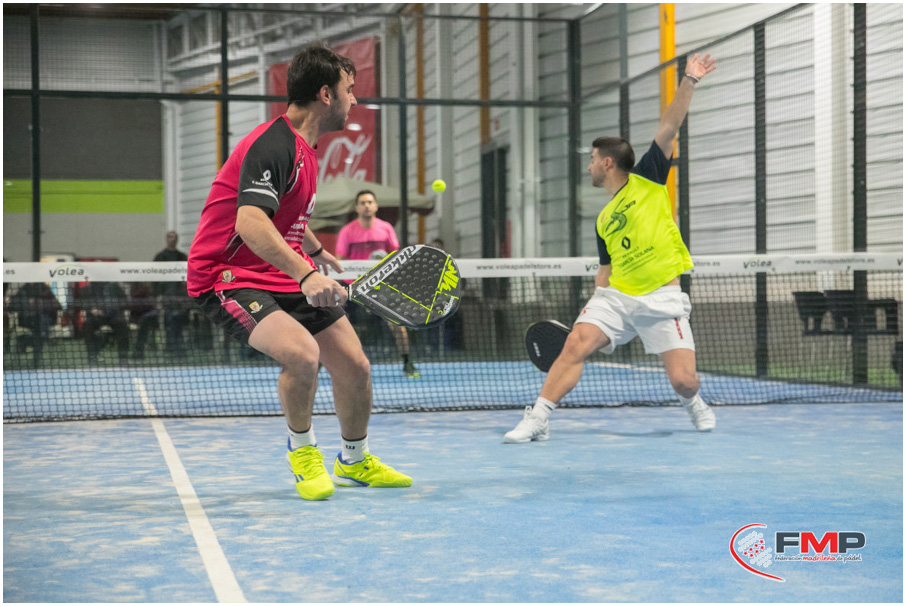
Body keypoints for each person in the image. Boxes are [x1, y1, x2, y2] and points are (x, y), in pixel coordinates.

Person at [187, 42, 411, 501]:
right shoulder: (274, 144)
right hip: (227, 275)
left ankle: (354, 460)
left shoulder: (306, 148)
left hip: (280, 271)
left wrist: (316, 251)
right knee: (303, 355)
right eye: (350, 90)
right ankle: (304, 453)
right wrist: (308, 276)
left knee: (354, 365)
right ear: (326, 94)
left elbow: (284, 212)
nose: (354, 100)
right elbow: (251, 222)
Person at [504, 53, 718, 443]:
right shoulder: (603, 219)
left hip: (661, 296)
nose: (587, 167)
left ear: (607, 163)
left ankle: (693, 402)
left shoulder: (648, 179)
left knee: (684, 380)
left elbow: (669, 127)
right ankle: (538, 418)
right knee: (575, 344)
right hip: (617, 297)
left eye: (591, 160)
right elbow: (605, 270)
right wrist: (595, 310)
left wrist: (690, 79)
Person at [335, 189, 420, 378]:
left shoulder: (386, 228)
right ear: (357, 207)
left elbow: (396, 256)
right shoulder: (347, 231)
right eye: (363, 203)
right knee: (334, 323)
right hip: (353, 287)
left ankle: (407, 362)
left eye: (370, 202)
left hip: (380, 286)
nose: (366, 206)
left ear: (376, 206)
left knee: (397, 324)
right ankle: (322, 364)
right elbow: (339, 261)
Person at [6, 282, 61, 368]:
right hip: (27, 321)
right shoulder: (23, 290)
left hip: (43, 321)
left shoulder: (45, 289)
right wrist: (28, 305)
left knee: (40, 320)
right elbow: (11, 307)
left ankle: (36, 339)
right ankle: (43, 336)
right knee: (40, 330)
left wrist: (38, 304)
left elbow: (57, 305)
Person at [154, 231, 189, 358]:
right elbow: (154, 281)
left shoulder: (183, 257)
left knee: (176, 319)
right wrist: (158, 299)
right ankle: (172, 348)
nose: (171, 239)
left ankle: (178, 349)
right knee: (169, 319)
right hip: (165, 302)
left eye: (174, 237)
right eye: (169, 237)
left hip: (180, 303)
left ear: (177, 239)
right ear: (166, 239)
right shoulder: (159, 257)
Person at [78, 280, 130, 365]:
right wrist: (92, 309)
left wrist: (112, 308)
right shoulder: (86, 289)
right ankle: (92, 357)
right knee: (87, 325)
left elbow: (124, 302)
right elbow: (83, 304)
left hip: (113, 316)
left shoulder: (115, 287)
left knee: (122, 325)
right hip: (96, 318)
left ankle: (123, 357)